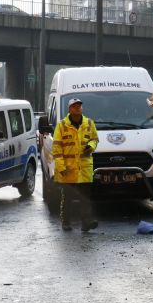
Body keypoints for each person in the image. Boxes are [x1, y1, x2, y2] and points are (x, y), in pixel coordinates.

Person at [52, 98, 99, 231]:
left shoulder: (89, 123)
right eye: (74, 106)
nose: (77, 108)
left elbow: (95, 139)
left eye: (79, 106)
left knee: (85, 198)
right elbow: (57, 148)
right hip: (68, 169)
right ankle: (66, 222)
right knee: (68, 198)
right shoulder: (62, 126)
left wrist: (90, 146)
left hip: (84, 169)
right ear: (69, 109)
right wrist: (61, 167)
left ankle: (86, 223)